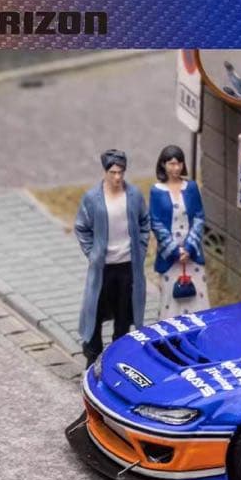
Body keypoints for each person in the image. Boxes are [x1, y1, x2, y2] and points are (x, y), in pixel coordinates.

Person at [75, 149, 150, 366]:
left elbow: (144, 222)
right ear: (105, 172)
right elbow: (82, 226)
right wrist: (92, 253)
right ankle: (92, 355)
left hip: (127, 265)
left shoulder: (134, 195)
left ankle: (118, 356)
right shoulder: (93, 198)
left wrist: (140, 249)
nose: (117, 177)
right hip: (103, 267)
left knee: (123, 313)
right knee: (95, 311)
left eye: (121, 172)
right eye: (113, 172)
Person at [150, 145, 210, 317]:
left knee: (197, 295)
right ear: (163, 165)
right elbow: (156, 223)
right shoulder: (157, 191)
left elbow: (199, 217)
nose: (175, 168)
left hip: (192, 253)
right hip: (170, 255)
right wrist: (176, 251)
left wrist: (189, 248)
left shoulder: (191, 187)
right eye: (171, 164)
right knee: (171, 298)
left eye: (179, 164)